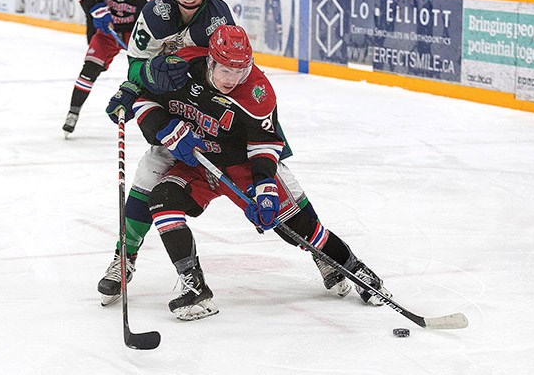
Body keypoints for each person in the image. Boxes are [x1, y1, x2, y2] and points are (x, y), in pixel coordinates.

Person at [97, 0, 350, 306]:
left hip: (218, 117)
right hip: (178, 112)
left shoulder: (218, 17)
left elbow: (228, 73)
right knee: (148, 174)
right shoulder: (154, 13)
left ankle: (322, 254)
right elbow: (136, 67)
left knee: (280, 184)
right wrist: (143, 82)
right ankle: (125, 259)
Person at [137, 25, 391, 320]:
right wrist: (163, 128)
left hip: (240, 165)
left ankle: (357, 269)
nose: (233, 79)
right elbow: (145, 100)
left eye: (240, 72)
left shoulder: (257, 91)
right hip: (197, 162)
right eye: (226, 71)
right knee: (163, 200)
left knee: (297, 228)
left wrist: (265, 186)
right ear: (210, 60)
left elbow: (265, 145)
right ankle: (195, 288)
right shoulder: (182, 67)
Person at [62, 0, 158, 137]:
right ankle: (73, 111)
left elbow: (153, 23)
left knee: (146, 75)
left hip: (133, 35)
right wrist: (95, 10)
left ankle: (157, 121)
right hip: (107, 33)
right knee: (89, 69)